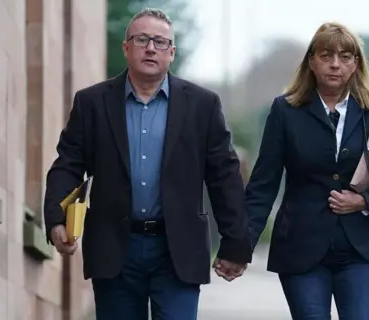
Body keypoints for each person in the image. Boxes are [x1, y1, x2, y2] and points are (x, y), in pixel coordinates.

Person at [43, 8, 251, 320]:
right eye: (142, 40)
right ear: (126, 48)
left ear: (172, 52)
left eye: (160, 42)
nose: (151, 48)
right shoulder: (92, 103)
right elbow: (69, 164)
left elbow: (224, 177)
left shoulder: (202, 105)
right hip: (115, 250)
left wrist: (236, 242)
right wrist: (56, 216)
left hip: (177, 250)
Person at [244, 22, 369, 319]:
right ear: (311, 62)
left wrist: (365, 200)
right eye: (326, 56)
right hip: (301, 248)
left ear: (355, 64)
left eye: (345, 57)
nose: (335, 64)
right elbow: (263, 183)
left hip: (361, 249)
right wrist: (241, 244)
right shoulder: (285, 110)